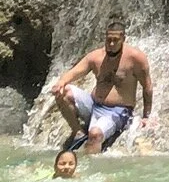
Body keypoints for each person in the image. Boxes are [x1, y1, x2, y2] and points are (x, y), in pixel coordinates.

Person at [48, 15, 153, 155]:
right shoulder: (96, 56)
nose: (111, 44)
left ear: (123, 39)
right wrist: (60, 83)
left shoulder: (135, 58)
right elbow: (74, 72)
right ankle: (78, 132)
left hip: (118, 111)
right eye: (108, 40)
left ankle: (91, 170)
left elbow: (147, 87)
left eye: (115, 40)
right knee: (65, 91)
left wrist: (146, 116)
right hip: (94, 104)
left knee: (95, 135)